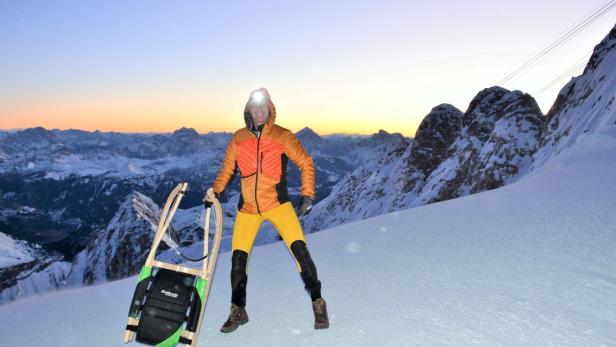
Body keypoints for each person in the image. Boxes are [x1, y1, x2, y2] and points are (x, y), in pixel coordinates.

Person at [204, 87, 329, 332]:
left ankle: (318, 302)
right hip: (248, 209)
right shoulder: (238, 138)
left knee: (300, 252)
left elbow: (305, 162)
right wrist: (215, 191)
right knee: (238, 260)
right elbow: (227, 169)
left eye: (264, 106)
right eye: (255, 106)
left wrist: (307, 194)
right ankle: (238, 309)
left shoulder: (282, 135)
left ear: (270, 109)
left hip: (277, 205)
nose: (259, 111)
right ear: (248, 110)